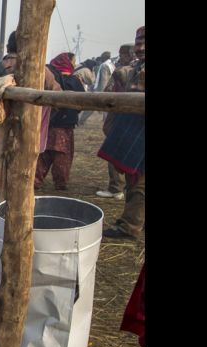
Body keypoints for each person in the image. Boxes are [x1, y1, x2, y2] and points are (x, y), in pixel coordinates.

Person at [0, 31, 61, 231]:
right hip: (26, 134)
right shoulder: (42, 71)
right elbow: (57, 95)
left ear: (8, 47)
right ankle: (13, 224)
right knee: (22, 177)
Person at [101, 26, 145, 240]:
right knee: (133, 180)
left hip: (141, 132)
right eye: (138, 43)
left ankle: (130, 226)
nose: (141, 48)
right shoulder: (136, 68)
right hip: (135, 131)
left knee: (140, 184)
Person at [34, 52, 85, 191]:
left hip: (47, 122)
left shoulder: (48, 76)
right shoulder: (74, 81)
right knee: (62, 156)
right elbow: (82, 103)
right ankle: (60, 183)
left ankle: (36, 180)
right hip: (65, 125)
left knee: (42, 153)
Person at [95, 43, 136, 200]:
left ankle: (115, 188)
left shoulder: (122, 71)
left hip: (120, 117)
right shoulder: (136, 68)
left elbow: (108, 92)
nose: (121, 57)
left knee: (114, 151)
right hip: (135, 120)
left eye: (123, 54)